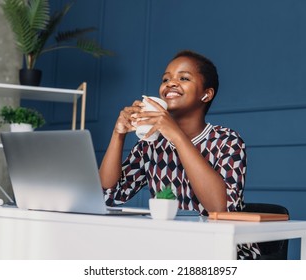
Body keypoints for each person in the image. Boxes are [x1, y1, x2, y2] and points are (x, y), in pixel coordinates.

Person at [99, 50, 261, 260]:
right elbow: (109, 194)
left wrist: (175, 135)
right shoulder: (151, 144)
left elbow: (221, 209)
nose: (171, 83)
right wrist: (118, 133)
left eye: (183, 78)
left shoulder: (227, 141)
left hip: (224, 251)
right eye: (166, 78)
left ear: (206, 94)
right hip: (171, 248)